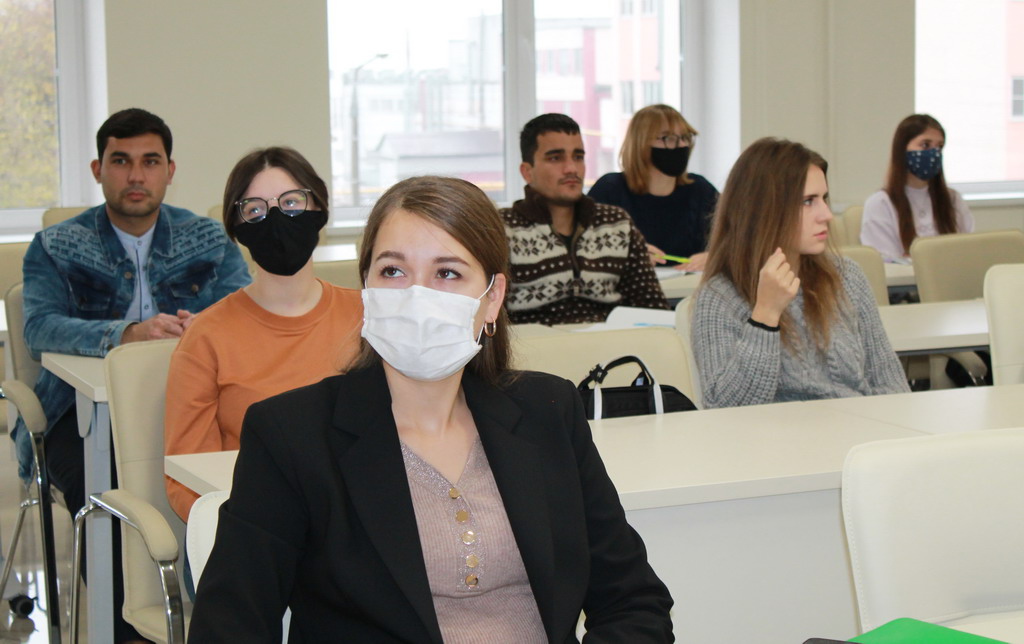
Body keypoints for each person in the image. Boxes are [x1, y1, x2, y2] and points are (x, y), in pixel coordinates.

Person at [188, 176, 674, 642]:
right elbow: (230, 626)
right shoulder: (292, 434)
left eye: (447, 273)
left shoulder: (548, 411)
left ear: (492, 299)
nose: (416, 295)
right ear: (366, 289)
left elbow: (632, 601)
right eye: (393, 271)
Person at [17, 107, 250, 642]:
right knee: (106, 488)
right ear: (98, 170)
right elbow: (39, 327)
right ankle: (131, 628)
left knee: (241, 477)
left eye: (150, 161)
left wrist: (202, 326)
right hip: (75, 415)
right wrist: (126, 334)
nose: (136, 175)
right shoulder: (55, 245)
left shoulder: (209, 239)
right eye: (121, 161)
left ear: (171, 170)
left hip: (188, 404)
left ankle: (220, 617)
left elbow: (242, 311)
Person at [164, 147, 362, 523]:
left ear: (319, 208)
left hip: (357, 520)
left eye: (291, 203)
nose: (275, 218)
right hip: (258, 526)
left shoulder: (367, 318)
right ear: (236, 227)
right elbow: (185, 480)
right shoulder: (206, 337)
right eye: (254, 210)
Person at [691, 138, 909, 409]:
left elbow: (891, 384)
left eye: (824, 199)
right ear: (764, 210)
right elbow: (725, 410)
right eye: (808, 201)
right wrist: (765, 315)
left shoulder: (847, 277)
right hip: (774, 435)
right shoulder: (719, 297)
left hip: (858, 429)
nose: (826, 214)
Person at [501, 113, 669, 325]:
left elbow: (652, 308)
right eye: (555, 158)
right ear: (527, 172)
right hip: (534, 342)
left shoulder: (615, 223)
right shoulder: (502, 229)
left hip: (609, 341)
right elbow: (488, 318)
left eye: (578, 157)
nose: (571, 168)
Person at [589, 104, 718, 271]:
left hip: (688, 286)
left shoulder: (700, 190)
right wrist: (622, 255)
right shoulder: (610, 190)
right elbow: (578, 246)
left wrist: (715, 257)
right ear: (641, 143)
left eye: (685, 137)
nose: (680, 145)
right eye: (668, 138)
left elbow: (738, 238)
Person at [860, 114, 974, 263]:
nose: (934, 153)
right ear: (902, 149)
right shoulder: (880, 203)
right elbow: (887, 263)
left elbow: (968, 250)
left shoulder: (953, 199)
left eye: (939, 147)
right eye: (925, 145)